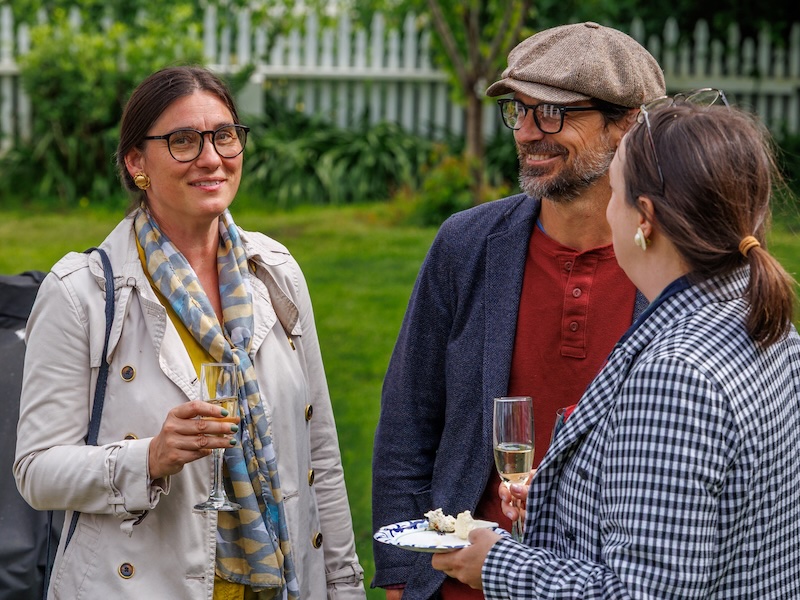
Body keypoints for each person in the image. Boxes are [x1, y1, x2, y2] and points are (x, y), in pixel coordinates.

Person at [14, 66, 366, 599]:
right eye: (183, 141)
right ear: (137, 163)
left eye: (224, 136)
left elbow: (321, 456)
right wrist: (148, 458)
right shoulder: (79, 292)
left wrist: (343, 586)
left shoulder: (275, 273)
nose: (211, 158)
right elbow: (36, 472)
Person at [431, 98, 800, 597]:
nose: (607, 208)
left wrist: (498, 565)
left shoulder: (677, 374)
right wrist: (566, 496)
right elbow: (710, 510)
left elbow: (639, 592)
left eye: (615, 191)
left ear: (643, 218)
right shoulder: (767, 328)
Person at [372, 22, 665, 599]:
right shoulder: (467, 244)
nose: (528, 132)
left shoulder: (671, 265)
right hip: (460, 581)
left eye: (553, 114)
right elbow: (408, 417)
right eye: (519, 110)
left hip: (606, 584)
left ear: (628, 122)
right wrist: (402, 578)